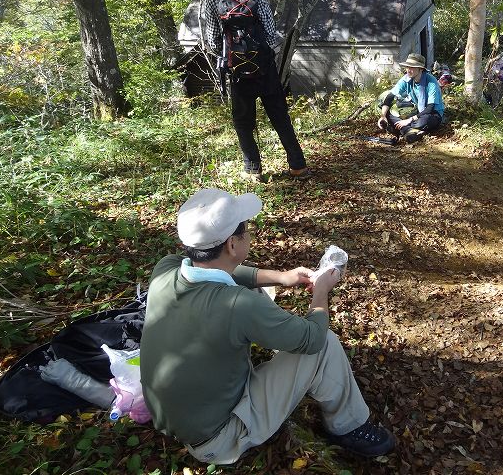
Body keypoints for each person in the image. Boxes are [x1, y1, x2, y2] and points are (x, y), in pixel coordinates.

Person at [140, 188, 395, 464]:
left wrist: (282, 277)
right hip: (218, 439)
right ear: (232, 245)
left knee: (256, 295)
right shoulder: (236, 305)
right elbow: (313, 339)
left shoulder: (166, 268)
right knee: (325, 344)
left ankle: (280, 337)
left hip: (178, 419)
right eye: (245, 231)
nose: (249, 234)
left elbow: (223, 272)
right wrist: (321, 291)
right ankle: (349, 426)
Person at [202, 0, 308, 179]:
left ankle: (253, 170)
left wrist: (231, 56)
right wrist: (264, 55)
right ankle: (298, 166)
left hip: (238, 71)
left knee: (242, 121)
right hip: (264, 67)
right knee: (280, 116)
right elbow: (272, 34)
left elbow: (211, 40)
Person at [377, 52, 445, 143]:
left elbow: (430, 108)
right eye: (407, 67)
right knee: (387, 112)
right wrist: (383, 116)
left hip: (432, 113)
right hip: (417, 112)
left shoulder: (431, 82)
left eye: (412, 67)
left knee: (423, 121)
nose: (408, 70)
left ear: (420, 69)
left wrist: (409, 120)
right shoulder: (406, 79)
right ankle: (410, 132)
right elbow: (390, 96)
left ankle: (404, 129)